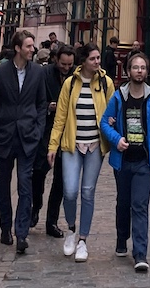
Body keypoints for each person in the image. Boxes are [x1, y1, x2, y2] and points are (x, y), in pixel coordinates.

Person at [101, 50, 150, 272]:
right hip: (123, 160)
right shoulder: (118, 97)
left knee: (140, 205)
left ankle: (140, 253)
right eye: (135, 67)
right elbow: (105, 123)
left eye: (143, 67)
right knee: (123, 203)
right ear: (128, 71)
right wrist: (117, 140)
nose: (140, 71)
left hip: (145, 161)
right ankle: (121, 238)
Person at [48, 42, 115, 262]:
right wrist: (53, 145)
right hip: (72, 145)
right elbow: (60, 118)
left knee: (87, 191)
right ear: (83, 61)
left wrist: (113, 127)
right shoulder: (70, 84)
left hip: (95, 146)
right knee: (69, 191)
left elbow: (114, 111)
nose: (97, 62)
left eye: (98, 58)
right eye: (93, 58)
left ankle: (83, 240)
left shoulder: (106, 83)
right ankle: (71, 229)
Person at [0, 28, 48, 254]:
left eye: (33, 46)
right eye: (29, 46)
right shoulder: (1, 73)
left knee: (25, 184)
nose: (33, 50)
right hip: (4, 136)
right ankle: (5, 228)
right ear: (18, 49)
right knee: (4, 182)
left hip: (28, 137)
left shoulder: (37, 73)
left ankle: (21, 232)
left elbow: (41, 103)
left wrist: (39, 129)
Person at [32, 43, 75, 238]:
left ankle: (52, 221)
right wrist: (48, 107)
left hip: (67, 133)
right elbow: (35, 100)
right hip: (47, 131)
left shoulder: (76, 77)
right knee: (39, 173)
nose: (66, 68)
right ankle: (35, 207)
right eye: (63, 64)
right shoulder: (44, 74)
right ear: (56, 59)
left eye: (69, 64)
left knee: (60, 180)